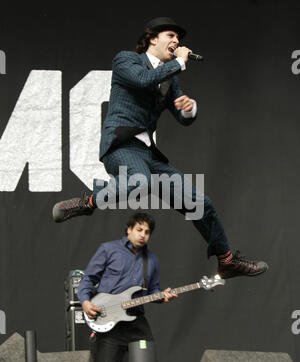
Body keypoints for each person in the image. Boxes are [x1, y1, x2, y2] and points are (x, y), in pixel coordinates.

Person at [53, 17, 268, 279]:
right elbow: (142, 80)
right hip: (121, 146)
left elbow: (182, 118)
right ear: (153, 38)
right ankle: (86, 202)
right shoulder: (126, 60)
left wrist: (189, 108)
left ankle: (227, 261)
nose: (177, 42)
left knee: (201, 203)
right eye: (171, 36)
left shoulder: (170, 79)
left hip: (149, 155)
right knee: (140, 181)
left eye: (179, 39)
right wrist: (180, 62)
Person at [77, 212, 177, 362]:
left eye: (147, 232)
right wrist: (85, 302)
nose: (142, 235)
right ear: (128, 229)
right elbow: (88, 279)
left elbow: (152, 290)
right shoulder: (108, 249)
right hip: (108, 320)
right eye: (139, 229)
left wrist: (163, 296)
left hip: (136, 321)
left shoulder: (151, 260)